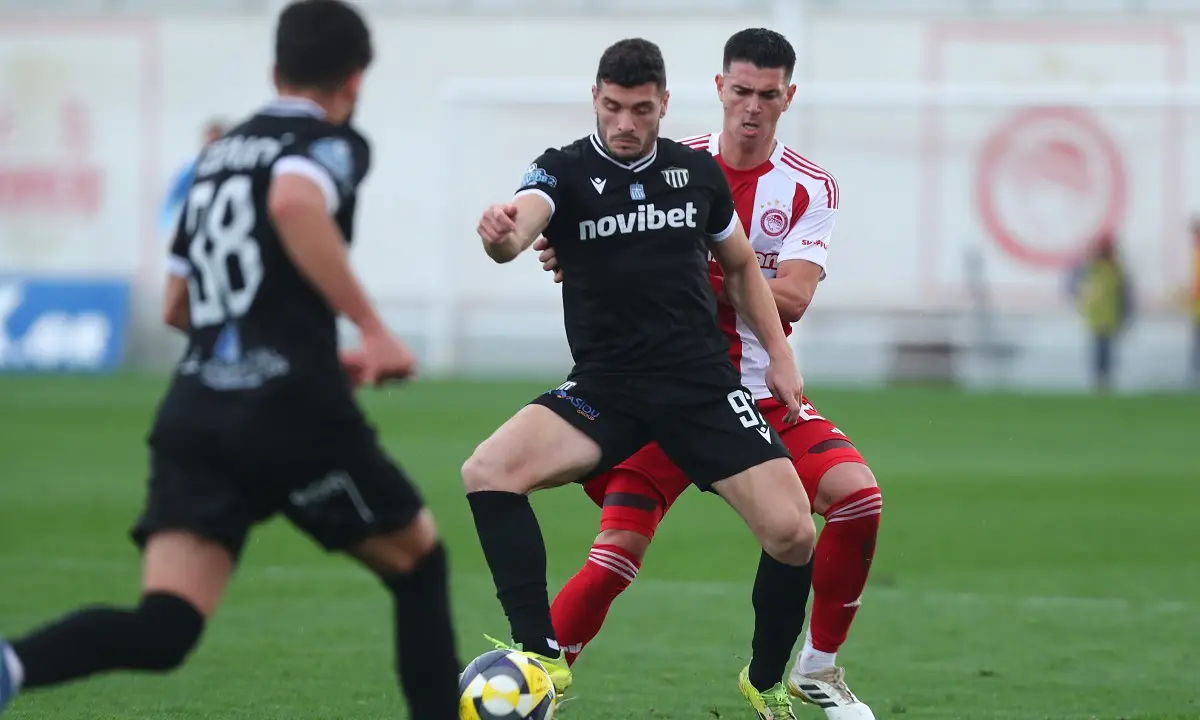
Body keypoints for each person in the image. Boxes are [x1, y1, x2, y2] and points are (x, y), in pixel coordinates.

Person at [0, 2, 461, 718]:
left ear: (275, 71)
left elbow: (177, 304)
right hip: (290, 415)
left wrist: (300, 348)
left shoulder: (215, 156)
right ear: (355, 80)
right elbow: (292, 203)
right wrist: (371, 330)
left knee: (165, 625)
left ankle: (11, 665)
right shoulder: (328, 142)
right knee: (419, 565)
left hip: (199, 411)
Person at [538, 29, 880, 720]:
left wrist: (682, 267)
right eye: (741, 91)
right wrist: (582, 252)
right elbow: (594, 238)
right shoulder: (673, 166)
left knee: (857, 499)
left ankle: (815, 666)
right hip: (665, 393)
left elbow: (792, 298)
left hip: (756, 392)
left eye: (768, 95)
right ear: (720, 88)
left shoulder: (810, 186)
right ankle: (533, 680)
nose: (753, 107)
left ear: (789, 96)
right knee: (614, 554)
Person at [464, 37, 817, 701]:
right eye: (613, 107)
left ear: (665, 105)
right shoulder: (562, 171)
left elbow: (742, 264)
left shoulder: (695, 173)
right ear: (595, 100)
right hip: (608, 388)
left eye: (641, 110)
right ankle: (539, 654)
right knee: (488, 470)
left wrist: (781, 355)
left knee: (794, 532)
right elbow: (520, 228)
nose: (625, 124)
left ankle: (766, 682)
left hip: (700, 387)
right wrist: (502, 235)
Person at [1067, 232, 1133, 392]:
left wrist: (1126, 315)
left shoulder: (1112, 270)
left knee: (1105, 351)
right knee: (1100, 351)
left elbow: (1124, 296)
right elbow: (1073, 285)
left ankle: (1103, 380)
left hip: (1107, 317)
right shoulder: (1096, 268)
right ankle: (1100, 380)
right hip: (1099, 316)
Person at [159, 118, 228, 238]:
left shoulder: (233, 169)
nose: (213, 149)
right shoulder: (192, 168)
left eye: (217, 143)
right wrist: (171, 228)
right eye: (210, 144)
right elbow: (171, 200)